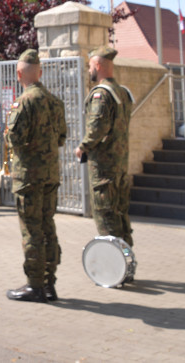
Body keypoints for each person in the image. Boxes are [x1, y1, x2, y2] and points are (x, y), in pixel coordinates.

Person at [3, 49, 66, 303]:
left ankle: (35, 285)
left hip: (29, 177)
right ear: (39, 72)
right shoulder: (54, 101)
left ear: (19, 74)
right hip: (50, 175)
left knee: (32, 230)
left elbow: (14, 138)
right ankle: (50, 284)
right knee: (48, 226)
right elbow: (61, 138)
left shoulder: (25, 101)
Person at [75, 46, 134, 249]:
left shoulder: (101, 94)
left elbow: (97, 128)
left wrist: (83, 147)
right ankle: (126, 260)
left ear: (98, 65)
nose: (89, 70)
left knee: (106, 216)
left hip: (104, 168)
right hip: (120, 165)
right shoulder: (123, 92)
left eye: (90, 66)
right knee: (120, 214)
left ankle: (114, 265)